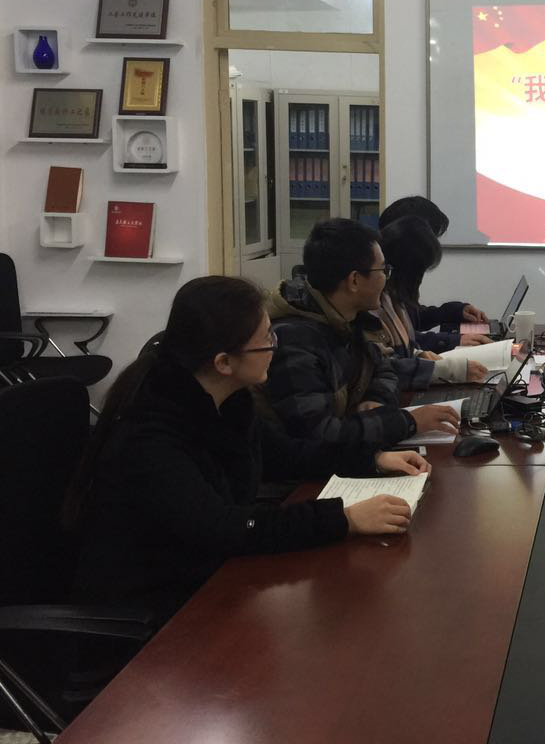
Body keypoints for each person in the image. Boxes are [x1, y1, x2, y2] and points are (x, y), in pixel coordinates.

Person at [66, 276, 430, 624]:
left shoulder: (226, 402)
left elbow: (287, 454)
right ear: (224, 362)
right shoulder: (150, 436)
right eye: (266, 339)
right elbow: (222, 527)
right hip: (158, 613)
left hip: (213, 581)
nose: (275, 347)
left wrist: (373, 459)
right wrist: (344, 519)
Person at [262, 218, 460, 446]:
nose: (386, 278)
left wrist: (376, 399)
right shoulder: (294, 341)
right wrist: (408, 422)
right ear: (354, 280)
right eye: (383, 270)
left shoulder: (353, 318)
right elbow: (320, 437)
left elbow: (385, 371)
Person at [375, 215, 485, 386]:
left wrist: (418, 354)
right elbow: (384, 366)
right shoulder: (373, 302)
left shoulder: (393, 296)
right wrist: (450, 366)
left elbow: (407, 343)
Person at [379, 196, 492, 351]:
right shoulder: (379, 285)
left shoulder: (394, 274)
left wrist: (454, 311)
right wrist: (452, 341)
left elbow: (412, 317)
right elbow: (398, 339)